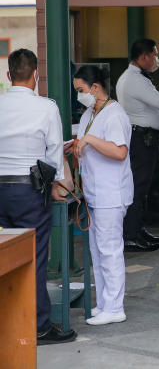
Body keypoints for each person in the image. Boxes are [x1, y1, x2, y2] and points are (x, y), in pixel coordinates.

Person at [0, 48, 76, 344]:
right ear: (36, 76)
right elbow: (54, 150)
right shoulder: (46, 108)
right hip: (29, 191)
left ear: (8, 76)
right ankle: (39, 326)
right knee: (33, 259)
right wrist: (58, 184)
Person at [73, 65, 133, 325]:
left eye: (81, 90)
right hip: (95, 192)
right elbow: (87, 141)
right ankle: (104, 303)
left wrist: (89, 142)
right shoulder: (90, 113)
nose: (79, 95)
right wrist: (75, 144)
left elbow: (120, 152)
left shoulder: (114, 114)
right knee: (97, 251)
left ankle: (115, 307)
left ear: (95, 88)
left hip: (111, 193)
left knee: (110, 250)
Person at [117, 39, 159, 252]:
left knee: (143, 187)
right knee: (138, 188)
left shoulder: (138, 78)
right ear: (143, 56)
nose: (157, 59)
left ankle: (138, 230)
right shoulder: (134, 80)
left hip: (144, 139)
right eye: (154, 55)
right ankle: (130, 235)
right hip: (141, 141)